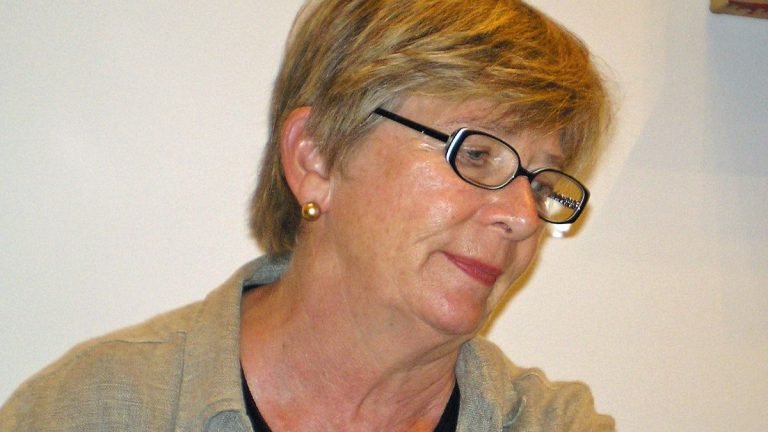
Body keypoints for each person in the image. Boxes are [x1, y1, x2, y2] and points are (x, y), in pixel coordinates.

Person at [0, 0, 614, 430]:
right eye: (476, 154)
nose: (523, 218)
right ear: (315, 156)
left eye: (543, 183)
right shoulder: (98, 411)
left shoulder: (550, 424)